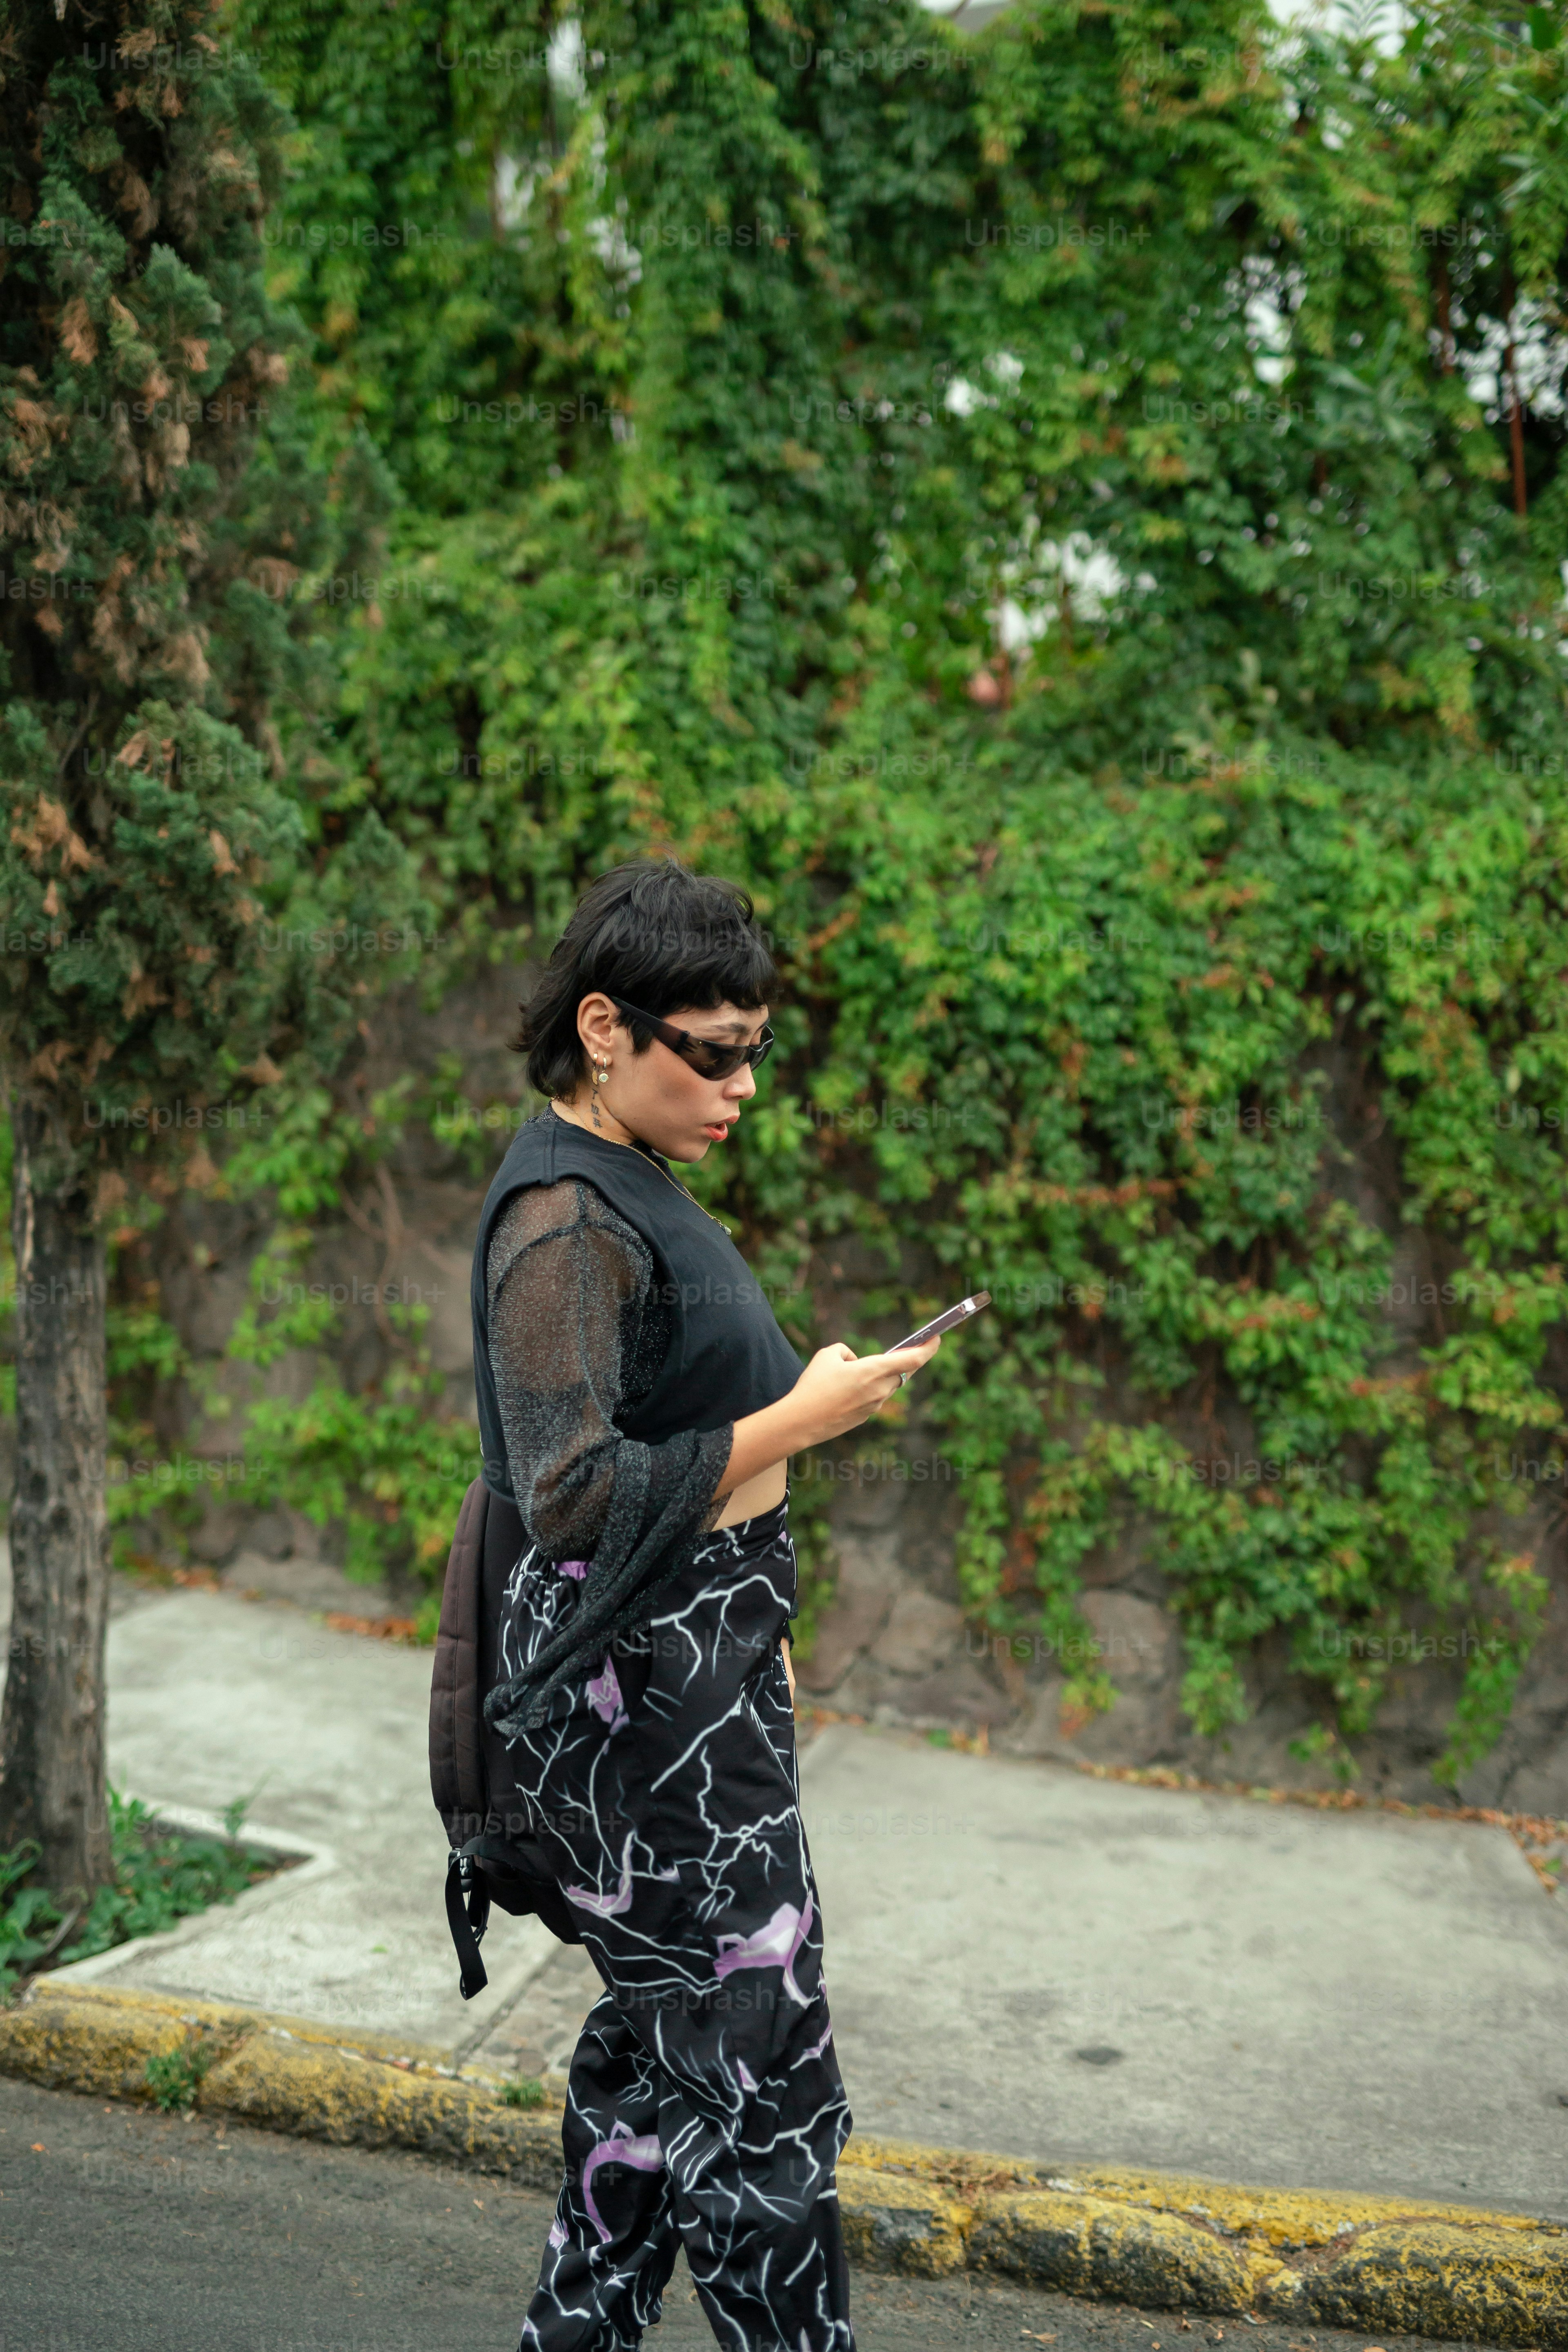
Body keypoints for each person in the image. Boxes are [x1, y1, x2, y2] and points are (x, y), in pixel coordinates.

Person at [469, 858, 940, 2352]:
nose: (743, 1086)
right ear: (606, 1029)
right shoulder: (565, 1221)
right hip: (649, 1733)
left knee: (658, 2057)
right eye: (714, 1053)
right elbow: (575, 1495)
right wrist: (809, 1415)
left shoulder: (625, 1175)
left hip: (689, 1705)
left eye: (759, 1051)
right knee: (757, 2085)